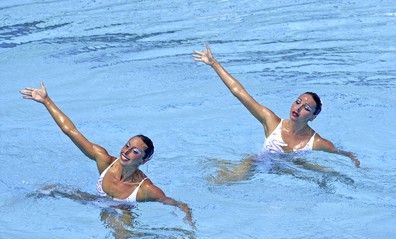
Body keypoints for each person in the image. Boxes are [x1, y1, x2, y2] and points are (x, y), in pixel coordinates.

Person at [19, 82, 193, 226]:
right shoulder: (103, 160)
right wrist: (46, 101)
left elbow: (174, 203)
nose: (126, 151)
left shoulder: (145, 190)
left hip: (123, 211)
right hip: (96, 201)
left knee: (121, 235)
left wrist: (187, 216)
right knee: (51, 189)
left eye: (135, 151)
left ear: (143, 160)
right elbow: (71, 131)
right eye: (127, 145)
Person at [193, 44, 360, 168]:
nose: (298, 108)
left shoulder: (316, 142)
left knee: (324, 174)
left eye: (306, 108)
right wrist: (214, 63)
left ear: (313, 117)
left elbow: (339, 153)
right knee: (241, 167)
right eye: (298, 101)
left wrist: (353, 159)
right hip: (258, 167)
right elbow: (239, 92)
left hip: (291, 173)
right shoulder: (271, 122)